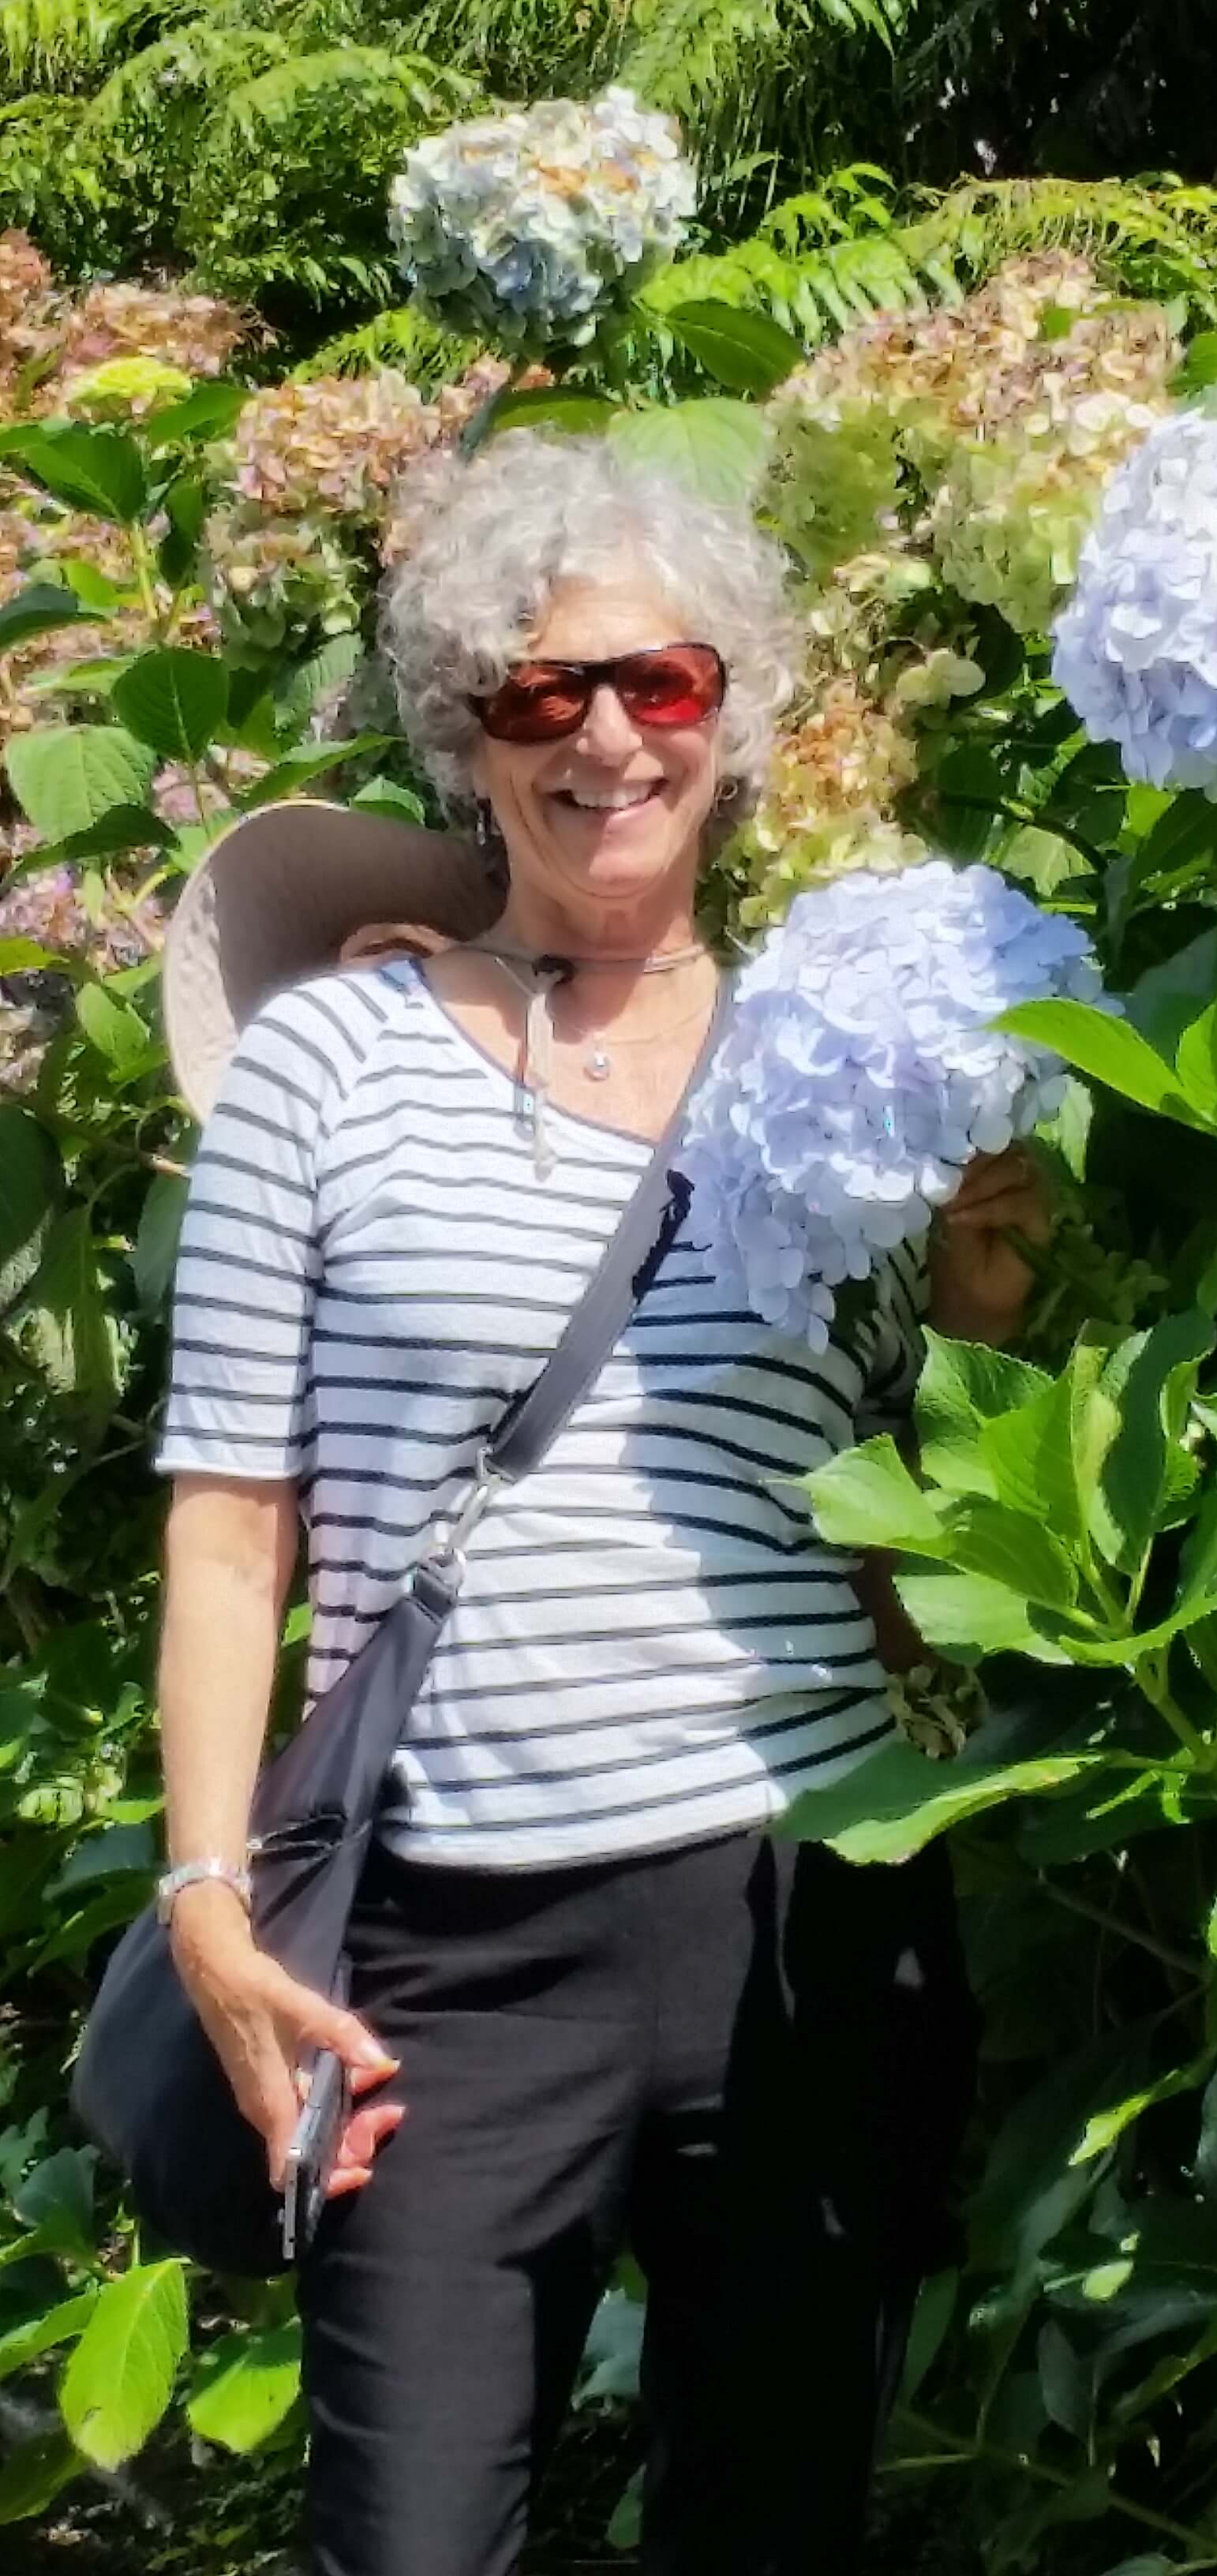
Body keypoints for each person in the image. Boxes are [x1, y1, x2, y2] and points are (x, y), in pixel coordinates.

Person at [154, 429, 1049, 2576]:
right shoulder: (330, 1061)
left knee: (775, 2527)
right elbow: (227, 1521)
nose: (608, 738)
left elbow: (935, 1495)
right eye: (541, 691)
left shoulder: (847, 1059)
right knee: (410, 2539)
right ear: (468, 737)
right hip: (438, 1967)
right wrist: (205, 1902)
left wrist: (994, 1285)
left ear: (730, 709)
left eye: (660, 680)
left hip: (802, 1906)